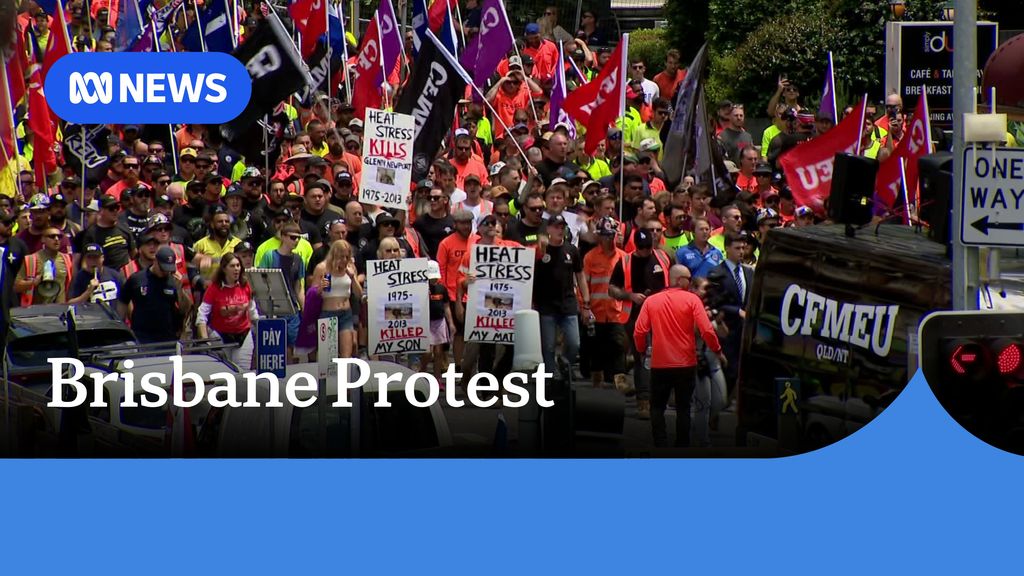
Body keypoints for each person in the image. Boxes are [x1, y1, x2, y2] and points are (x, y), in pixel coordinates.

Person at [633, 265, 725, 448]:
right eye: (688, 279)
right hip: (685, 363)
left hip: (660, 364)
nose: (690, 282)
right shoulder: (692, 300)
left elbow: (639, 331)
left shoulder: (652, 301)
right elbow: (707, 329)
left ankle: (660, 442)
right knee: (684, 407)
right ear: (678, 279)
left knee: (657, 406)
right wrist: (717, 350)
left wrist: (642, 350)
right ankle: (682, 444)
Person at [534, 215, 589, 378]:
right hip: (546, 305)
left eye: (562, 227)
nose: (560, 230)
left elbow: (580, 276)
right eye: (556, 227)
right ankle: (551, 378)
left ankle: (564, 361)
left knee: (574, 343)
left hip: (568, 303)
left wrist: (586, 301)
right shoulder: (540, 249)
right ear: (548, 229)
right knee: (548, 346)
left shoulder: (571, 250)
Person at [707, 232, 753, 397]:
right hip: (726, 328)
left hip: (744, 330)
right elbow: (714, 302)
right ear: (727, 248)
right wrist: (737, 311)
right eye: (737, 248)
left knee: (740, 370)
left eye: (743, 248)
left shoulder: (749, 273)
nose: (741, 251)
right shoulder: (716, 273)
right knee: (727, 370)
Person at [118, 246, 193, 344]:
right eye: (163, 269)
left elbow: (185, 309)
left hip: (167, 336)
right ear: (156, 261)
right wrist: (121, 328)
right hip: (142, 336)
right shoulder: (137, 279)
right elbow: (123, 302)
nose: (165, 272)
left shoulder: (174, 281)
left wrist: (179, 288)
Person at [196, 253, 259, 369]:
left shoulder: (245, 286)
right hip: (220, 336)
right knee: (223, 374)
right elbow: (202, 315)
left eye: (238, 266)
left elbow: (252, 311)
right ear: (224, 269)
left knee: (242, 375)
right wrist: (205, 341)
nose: (236, 269)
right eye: (232, 266)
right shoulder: (214, 288)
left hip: (243, 335)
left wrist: (260, 324)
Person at [256, 222, 307, 360]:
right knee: (276, 348)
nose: (296, 241)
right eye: (292, 237)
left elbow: (298, 287)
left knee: (292, 348)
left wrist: (305, 309)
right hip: (273, 308)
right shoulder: (270, 256)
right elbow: (260, 281)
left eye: (298, 238)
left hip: (292, 308)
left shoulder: (298, 259)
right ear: (283, 237)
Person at [311, 239, 362, 359]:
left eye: (346, 256)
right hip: (328, 313)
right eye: (341, 257)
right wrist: (321, 287)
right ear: (334, 255)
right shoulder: (322, 268)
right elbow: (312, 294)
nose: (344, 260)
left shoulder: (350, 267)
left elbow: (358, 293)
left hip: (345, 313)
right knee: (328, 357)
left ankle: (344, 376)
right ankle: (326, 377)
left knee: (348, 351)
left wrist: (353, 277)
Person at [16, 227, 74, 306]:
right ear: (43, 239)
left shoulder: (67, 259)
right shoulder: (31, 259)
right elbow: (16, 287)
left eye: (59, 237)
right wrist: (33, 282)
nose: (56, 239)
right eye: (52, 236)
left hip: (60, 309)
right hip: (37, 310)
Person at [422, 260, 457, 382]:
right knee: (428, 352)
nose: (433, 280)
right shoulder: (422, 289)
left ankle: (437, 379)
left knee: (438, 352)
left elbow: (446, 306)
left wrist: (451, 323)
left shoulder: (442, 289)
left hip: (440, 322)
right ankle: (422, 372)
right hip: (426, 323)